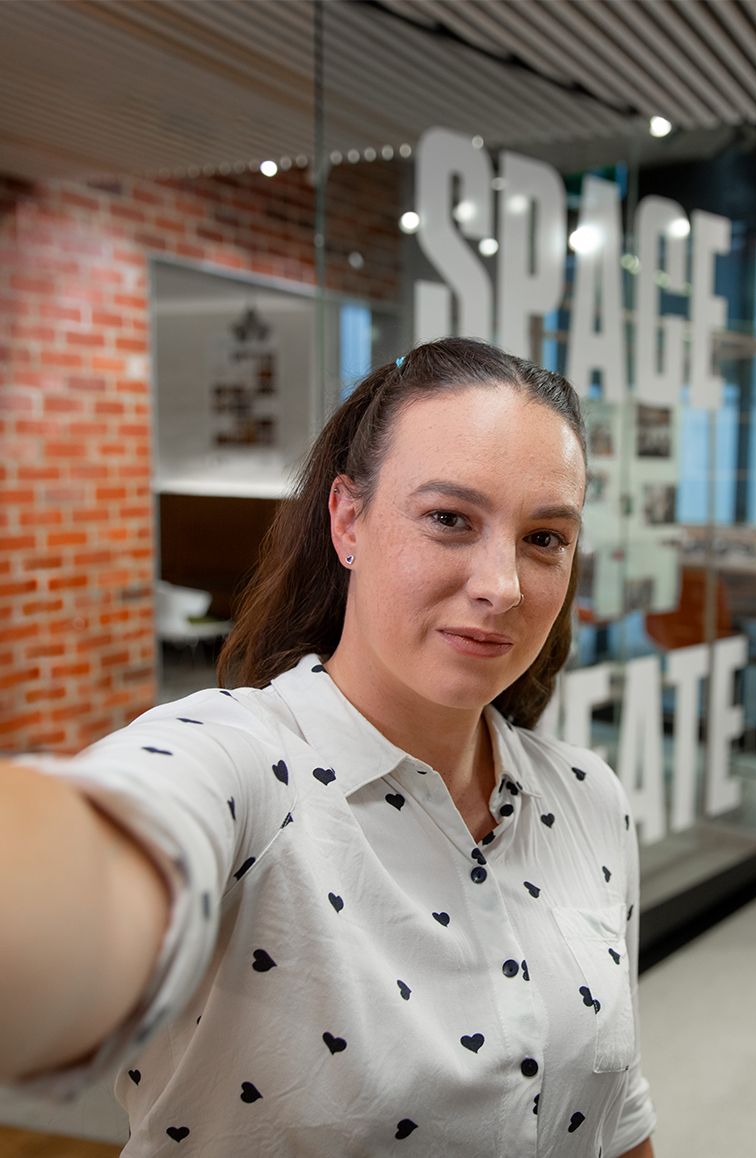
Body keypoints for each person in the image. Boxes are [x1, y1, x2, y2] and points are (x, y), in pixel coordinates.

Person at [0, 338, 656, 1157]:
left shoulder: (588, 796)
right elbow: (104, 859)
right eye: (449, 519)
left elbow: (617, 1108)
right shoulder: (242, 767)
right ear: (348, 520)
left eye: (544, 538)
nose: (503, 585)